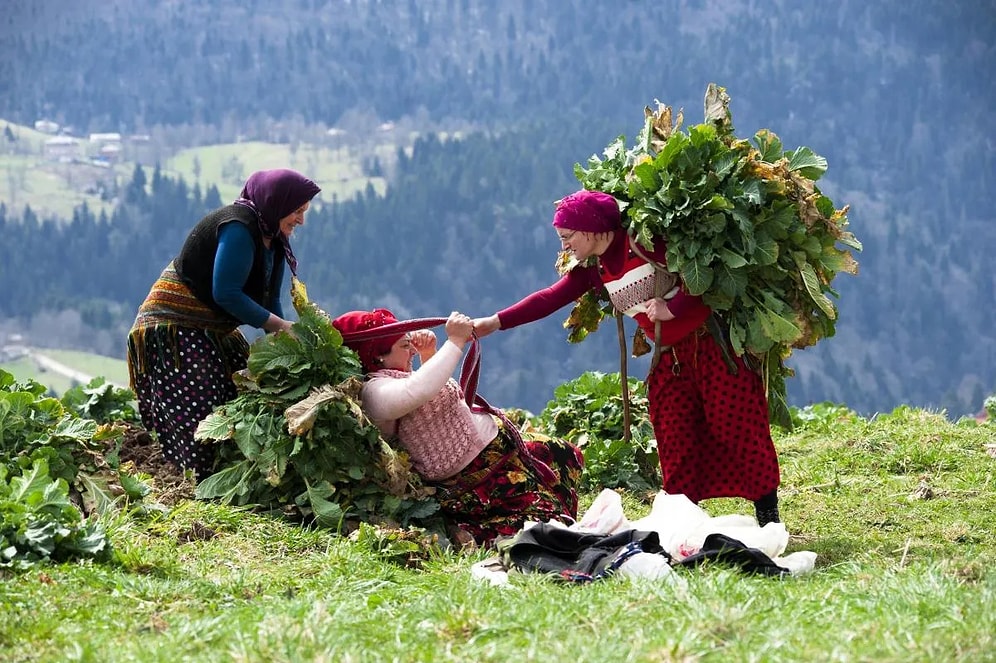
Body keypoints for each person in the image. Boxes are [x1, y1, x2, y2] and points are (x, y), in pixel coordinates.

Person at [473, 190, 783, 526]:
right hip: (669, 356)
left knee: (735, 426)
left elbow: (706, 271)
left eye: (567, 236)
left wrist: (673, 308)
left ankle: (767, 511)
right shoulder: (596, 268)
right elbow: (549, 298)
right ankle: (682, 522)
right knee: (673, 434)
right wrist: (495, 322)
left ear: (591, 229)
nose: (564, 245)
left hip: (712, 344)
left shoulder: (646, 243)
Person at [127, 168, 321, 480]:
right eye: (297, 211)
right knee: (202, 403)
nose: (301, 220)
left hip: (212, 325)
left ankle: (221, 474)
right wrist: (282, 327)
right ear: (277, 203)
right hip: (174, 325)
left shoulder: (273, 238)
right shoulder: (238, 227)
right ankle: (196, 480)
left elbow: (270, 300)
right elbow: (226, 292)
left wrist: (284, 348)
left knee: (240, 387)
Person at [332, 308, 583, 547]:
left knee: (566, 455)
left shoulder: (394, 376)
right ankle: (470, 534)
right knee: (547, 524)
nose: (411, 351)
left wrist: (429, 354)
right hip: (477, 477)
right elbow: (417, 391)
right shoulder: (374, 392)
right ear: (377, 355)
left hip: (499, 454)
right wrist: (454, 342)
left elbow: (433, 398)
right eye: (404, 346)